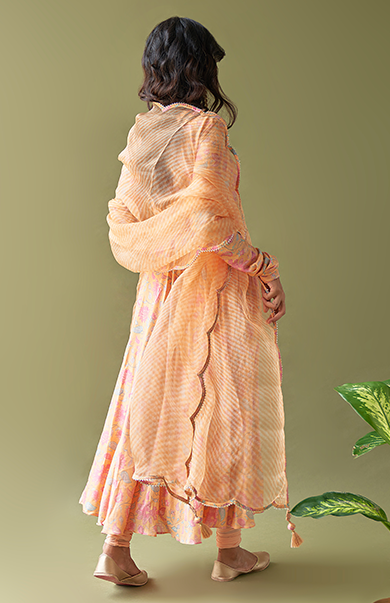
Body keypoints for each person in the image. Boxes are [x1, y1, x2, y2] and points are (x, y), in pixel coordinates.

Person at [79, 15, 302, 587]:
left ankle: (118, 549)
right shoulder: (206, 130)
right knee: (224, 412)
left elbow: (126, 217)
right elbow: (209, 224)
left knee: (146, 410)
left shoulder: (142, 135)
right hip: (214, 295)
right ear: (200, 68)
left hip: (157, 295)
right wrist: (265, 267)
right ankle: (228, 554)